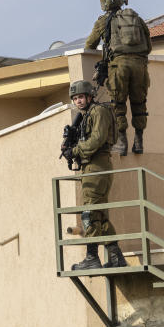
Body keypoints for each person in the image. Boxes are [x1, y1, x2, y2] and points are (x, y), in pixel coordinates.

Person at [63, 80, 128, 271]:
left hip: (96, 166)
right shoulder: (87, 115)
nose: (78, 101)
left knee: (89, 213)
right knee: (99, 215)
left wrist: (75, 150)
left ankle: (92, 258)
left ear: (90, 96)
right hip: (92, 167)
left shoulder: (98, 112)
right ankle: (116, 257)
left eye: (81, 97)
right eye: (75, 99)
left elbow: (97, 139)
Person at [85, 0, 152, 156]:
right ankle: (139, 141)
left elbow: (90, 45)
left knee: (118, 104)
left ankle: (122, 143)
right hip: (140, 66)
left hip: (118, 67)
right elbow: (149, 46)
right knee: (139, 104)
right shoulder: (135, 18)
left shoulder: (103, 21)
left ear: (104, 5)